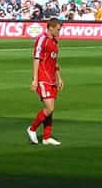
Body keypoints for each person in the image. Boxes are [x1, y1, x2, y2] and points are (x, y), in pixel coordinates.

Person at [26, 18, 64, 146]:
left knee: (51, 110)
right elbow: (36, 59)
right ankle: (32, 129)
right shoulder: (42, 39)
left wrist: (59, 77)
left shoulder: (55, 41)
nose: (59, 32)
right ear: (51, 28)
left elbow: (54, 62)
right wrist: (35, 79)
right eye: (58, 29)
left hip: (51, 79)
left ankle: (47, 137)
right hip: (43, 78)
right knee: (49, 108)